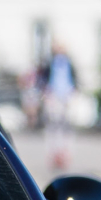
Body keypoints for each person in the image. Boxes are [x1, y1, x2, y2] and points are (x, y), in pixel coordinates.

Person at [39, 42, 79, 171]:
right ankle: (53, 155)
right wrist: (46, 93)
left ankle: (64, 155)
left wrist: (73, 92)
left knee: (66, 127)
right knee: (53, 126)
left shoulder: (69, 63)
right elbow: (43, 78)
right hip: (53, 95)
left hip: (66, 95)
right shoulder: (50, 62)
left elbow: (74, 78)